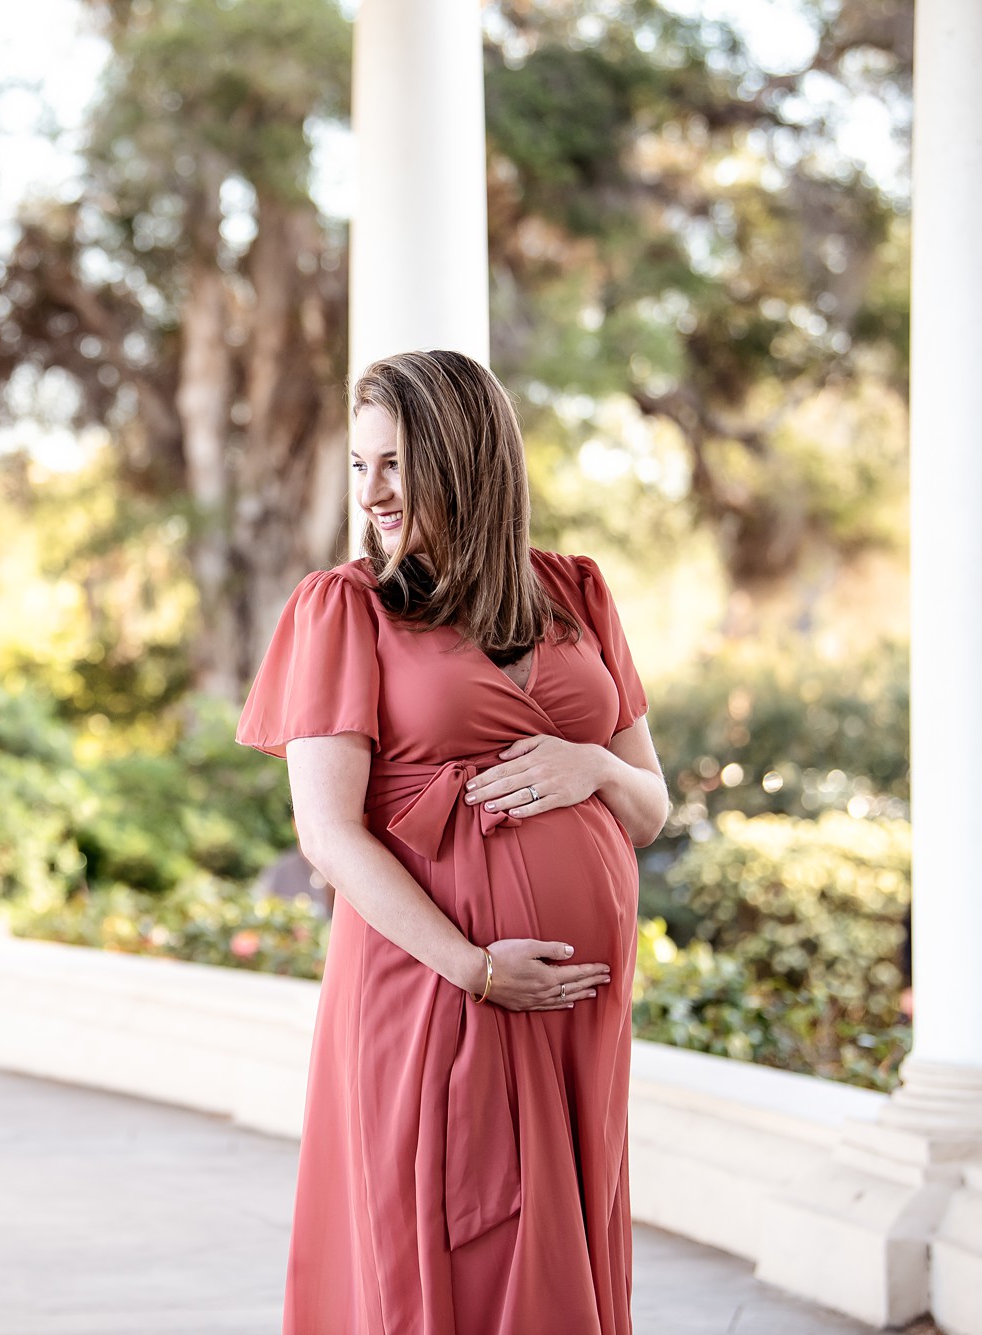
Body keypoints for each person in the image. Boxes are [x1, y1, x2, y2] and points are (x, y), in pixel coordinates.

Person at [234, 349, 670, 1335]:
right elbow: (328, 836)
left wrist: (591, 767)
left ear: (466, 457)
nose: (371, 493)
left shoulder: (576, 594)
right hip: (431, 980)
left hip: (572, 1010)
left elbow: (648, 809)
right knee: (444, 1230)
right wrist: (474, 968)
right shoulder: (344, 608)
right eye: (360, 466)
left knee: (560, 1226)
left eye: (394, 464)